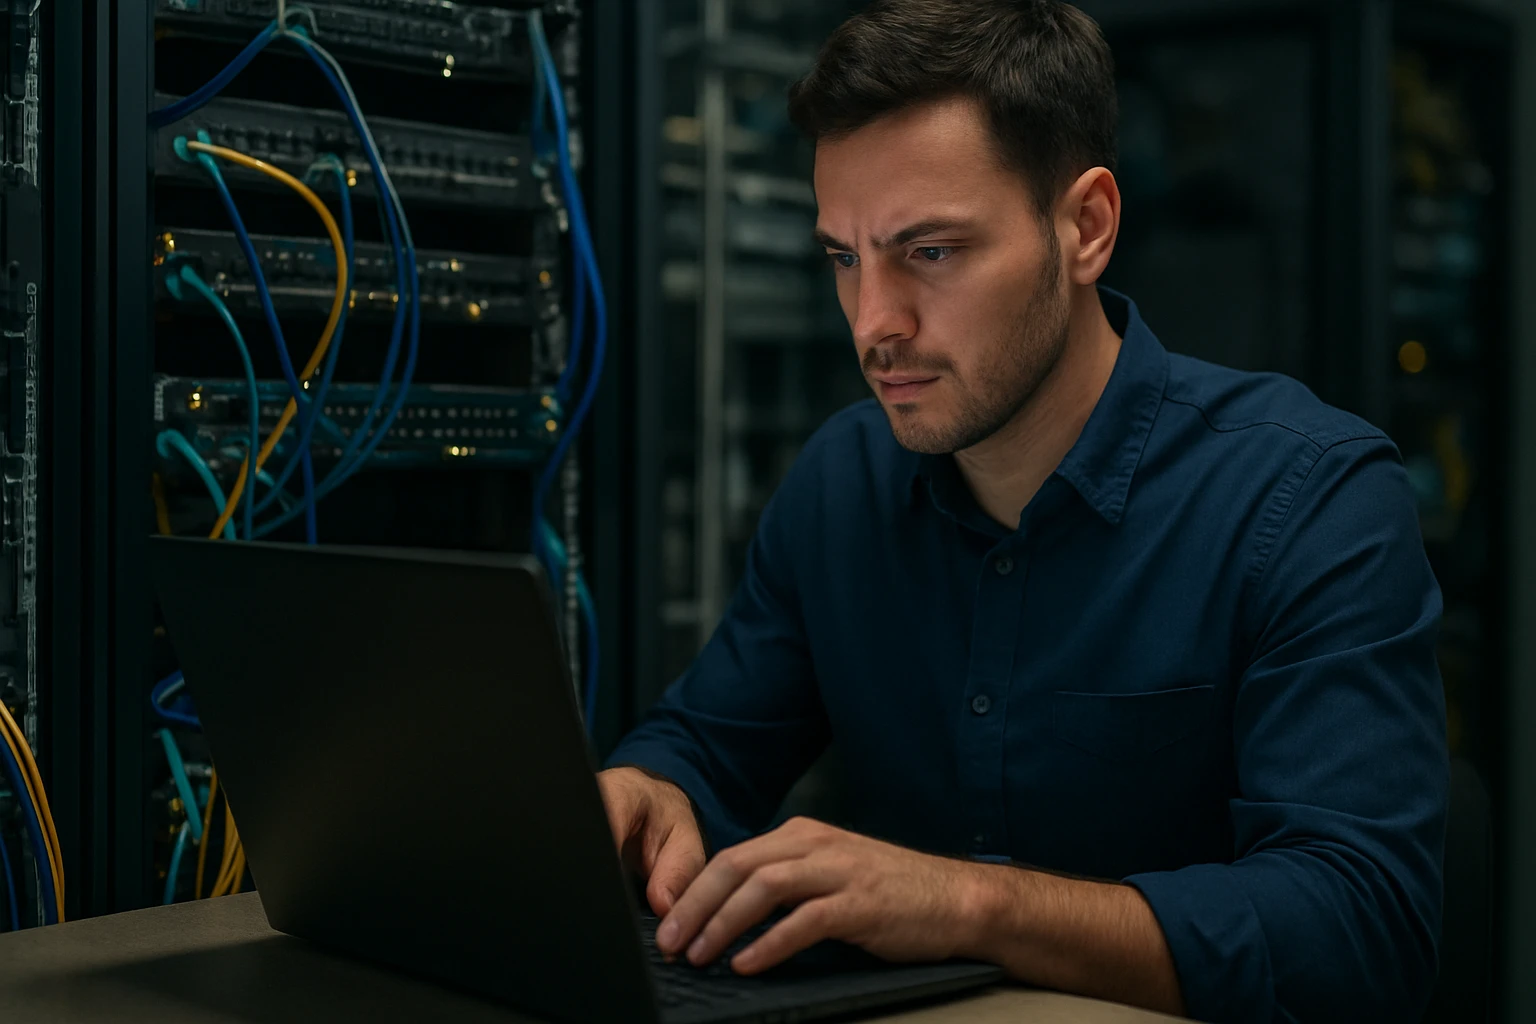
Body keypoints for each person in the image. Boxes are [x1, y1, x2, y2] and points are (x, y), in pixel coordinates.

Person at [600, 2, 1448, 1021]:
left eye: (931, 252)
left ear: (1084, 226)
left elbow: (1359, 928)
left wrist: (966, 904)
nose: (874, 323)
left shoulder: (1309, 499)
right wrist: (651, 791)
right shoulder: (843, 484)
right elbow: (706, 742)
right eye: (843, 256)